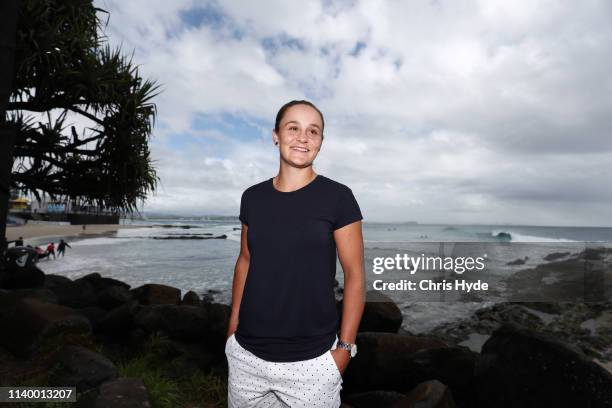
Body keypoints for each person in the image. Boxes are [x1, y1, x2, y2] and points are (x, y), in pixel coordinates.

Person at [225, 100, 365, 407]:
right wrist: (232, 328)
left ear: (320, 142)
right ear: (276, 135)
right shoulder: (252, 198)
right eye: (293, 128)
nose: (303, 137)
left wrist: (345, 349)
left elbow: (354, 276)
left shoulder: (339, 198)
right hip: (246, 357)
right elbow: (246, 260)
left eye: (312, 131)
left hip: (312, 364)